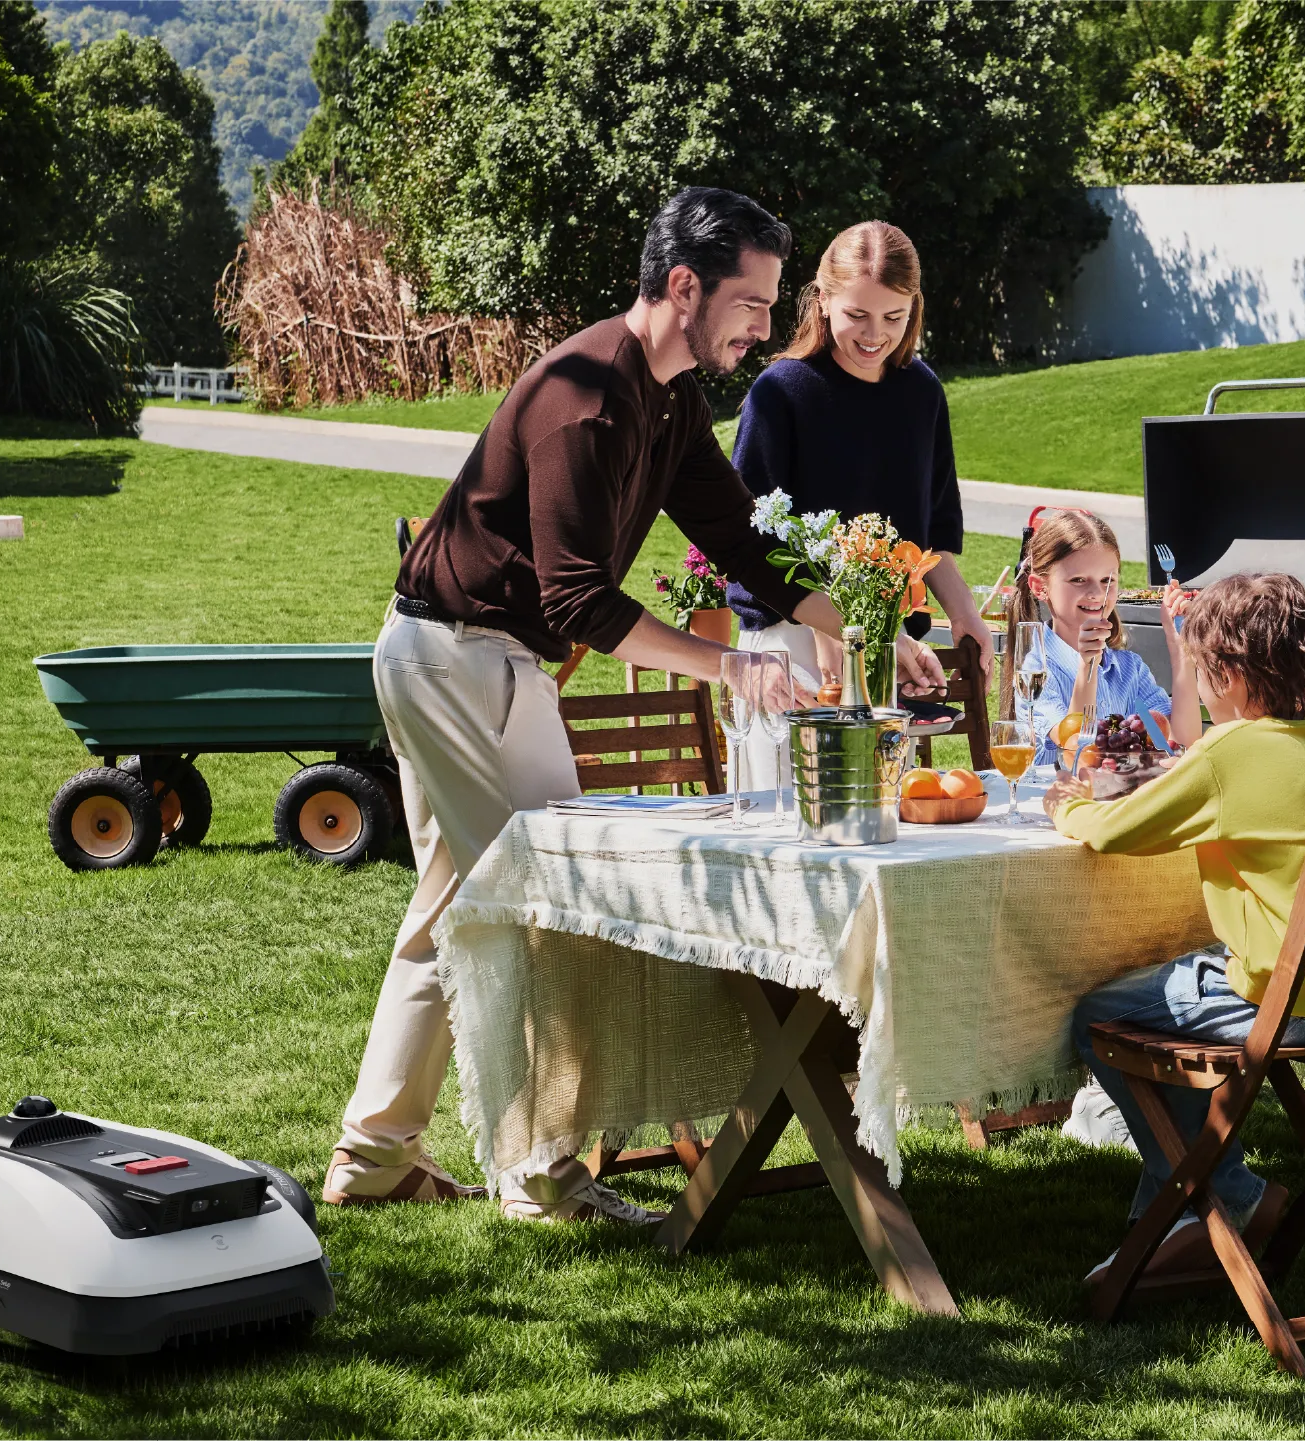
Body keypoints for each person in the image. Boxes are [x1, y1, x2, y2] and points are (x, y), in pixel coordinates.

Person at [325, 187, 942, 1227]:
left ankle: (374, 1152)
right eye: (752, 303)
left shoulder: (669, 398)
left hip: (482, 661)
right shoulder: (588, 399)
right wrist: (726, 666)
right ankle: (539, 1173)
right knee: (542, 910)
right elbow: (576, 597)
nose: (763, 327)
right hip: (457, 659)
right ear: (685, 286)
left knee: (454, 907)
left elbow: (744, 541)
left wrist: (871, 632)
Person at [1044, 573, 1305, 1279]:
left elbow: (1116, 831)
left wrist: (1066, 806)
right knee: (1177, 980)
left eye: (1201, 672)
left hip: (1281, 998)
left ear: (1226, 677)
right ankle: (1171, 1221)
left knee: (1100, 1016)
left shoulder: (1228, 751)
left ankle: (1228, 1194)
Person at [728, 221, 996, 685]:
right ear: (823, 300)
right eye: (857, 314)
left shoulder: (922, 392)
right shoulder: (780, 393)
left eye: (894, 317)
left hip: (892, 643)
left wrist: (964, 614)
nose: (875, 334)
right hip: (790, 646)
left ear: (913, 307)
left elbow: (933, 536)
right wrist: (827, 630)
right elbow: (751, 542)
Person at [1011, 508, 1190, 766]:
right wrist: (1087, 665)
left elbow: (1181, 743)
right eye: (1078, 580)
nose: (1096, 593)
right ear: (1040, 587)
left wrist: (1181, 649)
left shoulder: (1130, 669)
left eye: (1107, 580)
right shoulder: (1036, 671)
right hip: (1059, 790)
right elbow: (1077, 752)